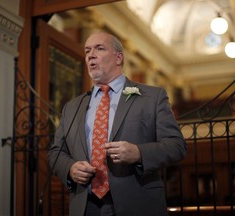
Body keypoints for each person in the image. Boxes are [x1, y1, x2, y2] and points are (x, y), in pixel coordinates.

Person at [48, 31, 187, 216]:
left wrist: (138, 153)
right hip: (85, 206)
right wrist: (70, 168)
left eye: (99, 48)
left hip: (137, 204)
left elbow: (177, 146)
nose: (91, 54)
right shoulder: (72, 107)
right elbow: (55, 153)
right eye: (87, 50)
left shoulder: (151, 97)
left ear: (119, 57)